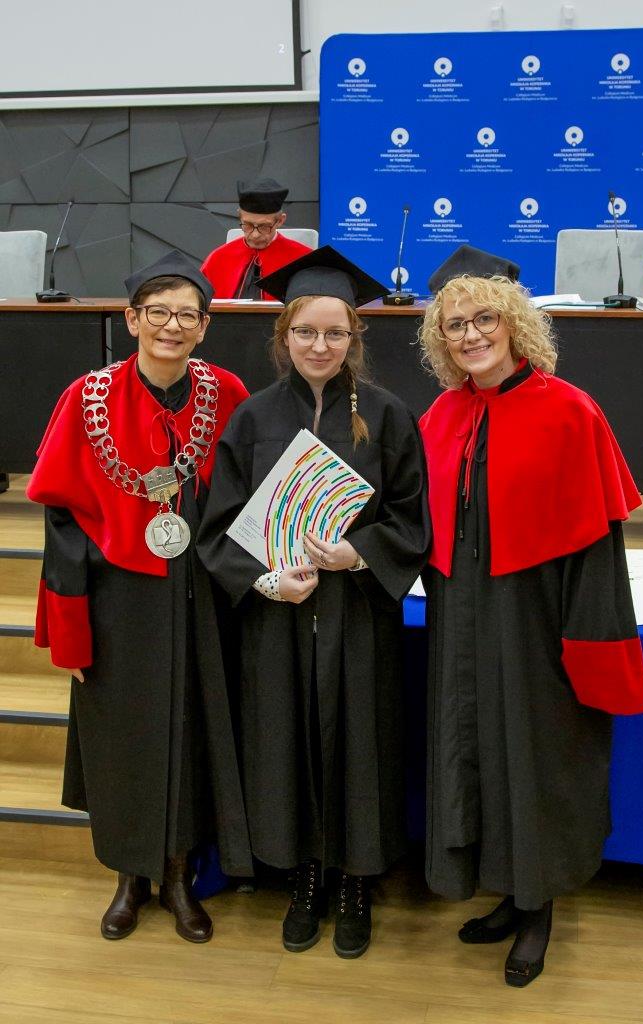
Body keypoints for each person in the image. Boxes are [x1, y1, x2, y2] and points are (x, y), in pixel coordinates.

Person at [418, 254, 643, 987]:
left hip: (536, 621)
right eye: (455, 325)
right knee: (476, 752)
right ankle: (504, 890)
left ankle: (538, 904)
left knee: (534, 754)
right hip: (461, 616)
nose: (471, 335)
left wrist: (585, 638)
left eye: (485, 318)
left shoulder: (570, 410)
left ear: (515, 323)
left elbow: (596, 548)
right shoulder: (443, 414)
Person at [197, 246, 431, 958]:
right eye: (305, 332)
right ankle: (303, 876)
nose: (320, 346)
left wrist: (358, 553)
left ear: (355, 337)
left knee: (361, 743)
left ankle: (356, 880)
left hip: (358, 616)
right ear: (284, 336)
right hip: (280, 618)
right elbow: (218, 526)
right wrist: (266, 580)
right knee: (286, 738)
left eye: (335, 333)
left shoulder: (388, 416)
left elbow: (412, 520)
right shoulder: (252, 418)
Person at [27, 250, 253, 943]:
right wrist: (71, 623)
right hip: (117, 598)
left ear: (205, 326)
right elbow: (63, 521)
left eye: (188, 315)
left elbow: (246, 494)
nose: (172, 326)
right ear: (131, 319)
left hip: (202, 594)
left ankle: (180, 876)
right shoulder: (87, 398)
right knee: (121, 737)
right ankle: (129, 878)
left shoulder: (227, 393)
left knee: (192, 731)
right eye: (158, 312)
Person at [201, 176, 313, 300]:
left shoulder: (304, 260)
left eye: (264, 226)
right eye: (248, 225)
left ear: (280, 221)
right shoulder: (217, 259)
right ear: (240, 217)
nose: (255, 235)